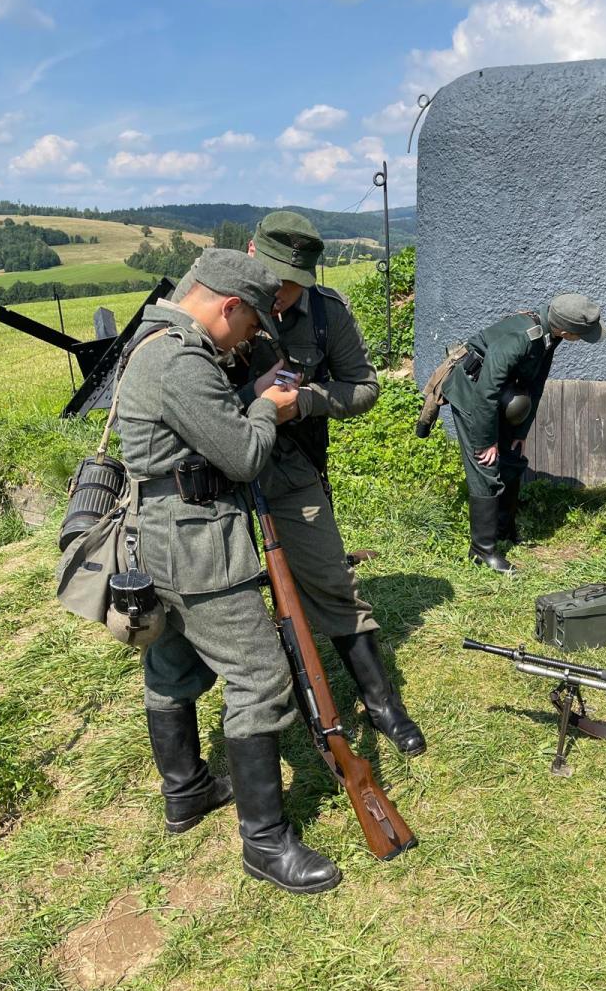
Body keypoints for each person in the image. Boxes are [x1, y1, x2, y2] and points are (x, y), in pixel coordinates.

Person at [116, 247, 342, 894]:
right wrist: (270, 408)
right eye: (248, 324)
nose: (246, 338)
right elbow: (242, 456)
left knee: (173, 665)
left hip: (159, 538)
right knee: (260, 678)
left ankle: (186, 790)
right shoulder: (181, 358)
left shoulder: (155, 343)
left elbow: (199, 424)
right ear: (230, 305)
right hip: (199, 546)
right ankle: (265, 843)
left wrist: (250, 394)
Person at [232, 212, 426, 756]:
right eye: (273, 279)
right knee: (226, 593)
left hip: (290, 466)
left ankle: (381, 703)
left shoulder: (325, 313)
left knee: (334, 581)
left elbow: (363, 387)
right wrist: (253, 398)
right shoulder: (212, 302)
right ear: (250, 252)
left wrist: (305, 402)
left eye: (292, 283)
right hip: (218, 468)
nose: (280, 294)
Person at [428, 294, 605, 574]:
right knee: (485, 468)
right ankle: (481, 550)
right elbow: (486, 391)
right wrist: (486, 441)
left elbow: (535, 385)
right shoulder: (522, 339)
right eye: (580, 334)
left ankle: (504, 530)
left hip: (500, 396)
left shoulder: (549, 336)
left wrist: (520, 431)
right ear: (566, 330)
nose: (581, 339)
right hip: (474, 394)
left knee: (511, 457)